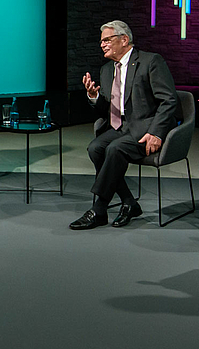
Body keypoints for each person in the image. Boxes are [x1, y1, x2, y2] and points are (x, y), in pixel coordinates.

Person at [74, 20, 180, 229]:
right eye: (101, 41)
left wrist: (156, 133)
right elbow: (105, 109)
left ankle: (99, 209)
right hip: (119, 127)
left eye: (107, 40)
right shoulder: (106, 70)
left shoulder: (150, 61)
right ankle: (129, 202)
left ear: (124, 39)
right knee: (95, 148)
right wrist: (94, 96)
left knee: (115, 149)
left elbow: (169, 100)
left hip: (145, 130)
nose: (102, 44)